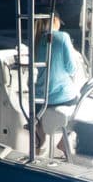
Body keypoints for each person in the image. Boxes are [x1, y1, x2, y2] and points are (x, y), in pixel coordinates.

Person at [34, 11, 80, 154]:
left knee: (36, 115)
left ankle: (40, 142)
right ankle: (63, 143)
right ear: (55, 20)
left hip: (40, 99)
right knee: (82, 102)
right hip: (63, 98)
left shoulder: (36, 40)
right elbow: (72, 68)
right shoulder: (63, 37)